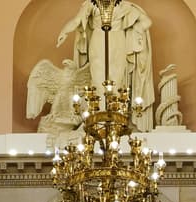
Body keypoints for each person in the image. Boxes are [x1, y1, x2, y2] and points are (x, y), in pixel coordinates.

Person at [56, 0, 154, 130]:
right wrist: (64, 31)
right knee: (97, 79)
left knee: (117, 81)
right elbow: (76, 21)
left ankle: (115, 116)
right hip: (99, 41)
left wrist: (134, 30)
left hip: (117, 42)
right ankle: (99, 116)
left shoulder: (124, 6)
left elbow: (147, 22)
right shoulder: (91, 4)